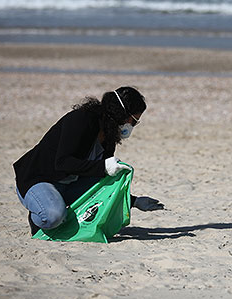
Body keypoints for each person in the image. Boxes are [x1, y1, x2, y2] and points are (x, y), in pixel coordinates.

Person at [13, 86, 164, 235]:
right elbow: (63, 163)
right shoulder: (81, 120)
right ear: (122, 114)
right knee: (53, 216)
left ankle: (56, 202)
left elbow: (104, 182)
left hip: (68, 184)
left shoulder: (109, 135)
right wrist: (104, 167)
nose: (132, 126)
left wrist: (134, 201)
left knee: (112, 180)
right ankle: (39, 213)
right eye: (134, 121)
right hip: (38, 179)